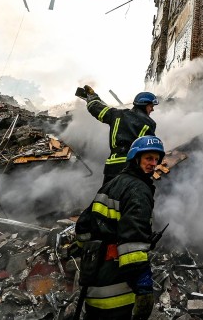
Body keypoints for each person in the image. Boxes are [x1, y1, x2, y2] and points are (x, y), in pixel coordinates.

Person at [74, 135, 164, 320]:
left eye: (156, 159)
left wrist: (89, 252)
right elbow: (133, 241)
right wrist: (143, 284)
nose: (153, 164)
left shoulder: (112, 184)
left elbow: (83, 227)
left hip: (93, 287)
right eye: (148, 158)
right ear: (136, 158)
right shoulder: (138, 189)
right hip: (117, 293)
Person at [81, 85, 159, 185]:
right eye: (151, 106)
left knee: (107, 196)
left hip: (111, 167)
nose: (152, 109)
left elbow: (96, 109)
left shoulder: (117, 114)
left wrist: (92, 97)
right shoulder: (149, 124)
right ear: (144, 105)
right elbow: (149, 149)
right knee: (128, 197)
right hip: (131, 167)